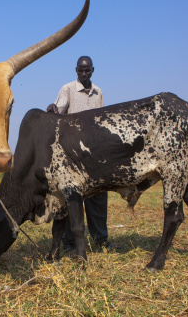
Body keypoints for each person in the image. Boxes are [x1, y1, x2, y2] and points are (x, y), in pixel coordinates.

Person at [46, 55, 117, 251]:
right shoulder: (68, 89)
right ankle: (70, 243)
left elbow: (101, 121)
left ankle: (101, 240)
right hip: (73, 155)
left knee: (98, 200)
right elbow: (57, 110)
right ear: (76, 70)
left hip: (94, 155)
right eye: (80, 70)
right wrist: (52, 109)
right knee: (73, 200)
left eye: (87, 70)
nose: (84, 74)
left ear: (92, 70)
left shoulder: (98, 92)